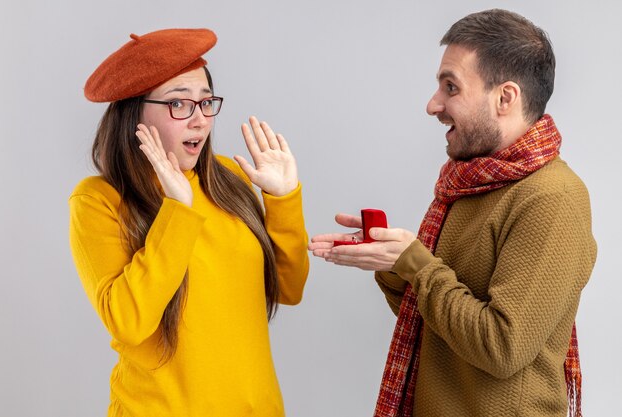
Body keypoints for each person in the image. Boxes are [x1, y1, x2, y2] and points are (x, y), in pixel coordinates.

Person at [309, 9, 596, 417]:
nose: (433, 104)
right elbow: (438, 325)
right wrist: (394, 260)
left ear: (505, 98)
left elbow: (501, 347)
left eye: (451, 87)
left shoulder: (553, 198)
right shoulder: (468, 184)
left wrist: (417, 265)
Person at [69, 28, 309, 417]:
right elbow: (128, 322)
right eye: (178, 104)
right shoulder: (98, 200)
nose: (199, 120)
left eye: (205, 102)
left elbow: (289, 288)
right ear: (134, 112)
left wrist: (282, 199)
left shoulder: (229, 178)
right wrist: (176, 210)